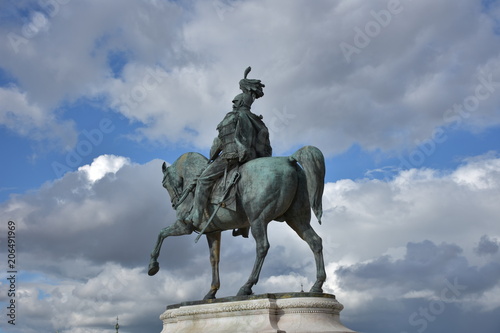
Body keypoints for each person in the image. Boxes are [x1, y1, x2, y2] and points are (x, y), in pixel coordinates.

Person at [187, 67, 272, 236]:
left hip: (232, 157)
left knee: (203, 180)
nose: (233, 104)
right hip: (253, 159)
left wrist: (212, 156)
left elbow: (219, 142)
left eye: (234, 102)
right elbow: (265, 147)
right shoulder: (258, 121)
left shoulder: (231, 117)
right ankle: (243, 225)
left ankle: (196, 216)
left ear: (238, 103)